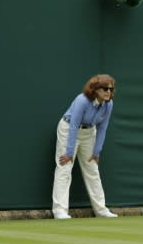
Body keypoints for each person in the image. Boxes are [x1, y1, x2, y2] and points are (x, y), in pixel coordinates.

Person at [51, 74, 118, 220]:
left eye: (111, 89)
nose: (108, 92)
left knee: (92, 169)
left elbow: (103, 128)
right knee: (64, 167)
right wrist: (69, 152)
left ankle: (101, 209)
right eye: (105, 88)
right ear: (95, 89)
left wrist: (97, 152)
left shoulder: (109, 104)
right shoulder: (82, 100)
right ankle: (60, 210)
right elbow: (74, 125)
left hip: (89, 133)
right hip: (69, 130)